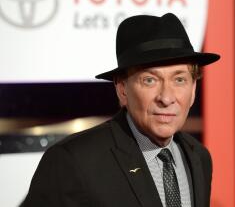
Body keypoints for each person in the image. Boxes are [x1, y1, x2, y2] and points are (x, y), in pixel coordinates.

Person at [23, 13, 220, 207]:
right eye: (150, 80)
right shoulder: (72, 161)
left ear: (193, 89)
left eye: (179, 80)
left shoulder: (199, 157)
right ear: (122, 89)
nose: (166, 98)